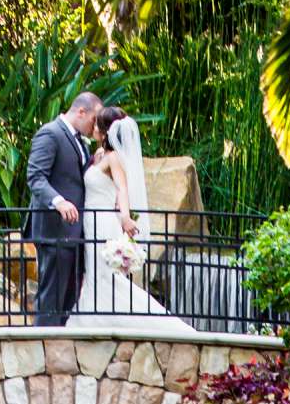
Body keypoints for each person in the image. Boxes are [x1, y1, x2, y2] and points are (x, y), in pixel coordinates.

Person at [77, 104, 188, 324]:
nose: (93, 127)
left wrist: (126, 217)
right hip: (89, 219)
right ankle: (95, 313)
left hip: (102, 220)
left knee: (105, 274)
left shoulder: (114, 158)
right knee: (93, 272)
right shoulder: (99, 155)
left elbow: (122, 188)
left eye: (97, 124)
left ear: (105, 130)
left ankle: (119, 318)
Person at [25, 90, 101, 327]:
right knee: (51, 297)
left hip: (74, 233)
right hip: (54, 230)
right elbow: (36, 177)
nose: (95, 126)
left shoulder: (81, 143)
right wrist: (58, 201)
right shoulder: (50, 133)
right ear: (81, 111)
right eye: (93, 119)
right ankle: (43, 350)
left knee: (69, 297)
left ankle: (60, 349)